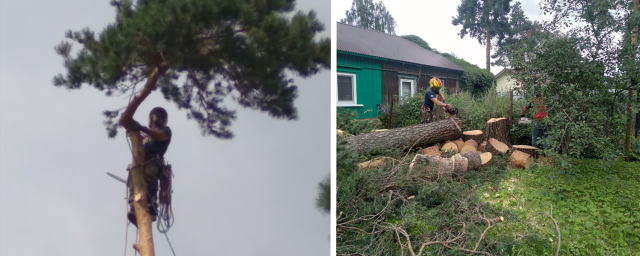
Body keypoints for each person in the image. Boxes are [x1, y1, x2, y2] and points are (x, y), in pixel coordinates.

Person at [125, 107, 172, 227]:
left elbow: (160, 136)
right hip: (140, 160)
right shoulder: (146, 136)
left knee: (149, 175)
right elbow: (139, 140)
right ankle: (133, 205)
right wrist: (133, 131)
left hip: (154, 159)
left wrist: (142, 128)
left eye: (161, 117)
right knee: (133, 179)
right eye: (156, 116)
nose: (158, 119)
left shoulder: (165, 131)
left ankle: (151, 204)